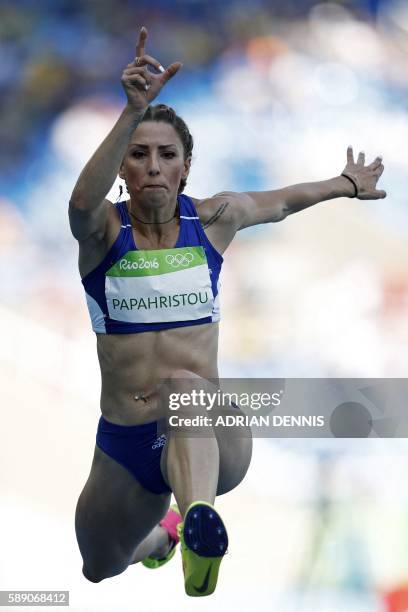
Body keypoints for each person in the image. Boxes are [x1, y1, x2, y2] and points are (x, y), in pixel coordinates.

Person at [69, 26, 386, 597]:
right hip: (126, 439)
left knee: (184, 387)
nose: (154, 167)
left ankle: (197, 527)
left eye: (167, 155)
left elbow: (283, 202)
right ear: (123, 168)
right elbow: (80, 202)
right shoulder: (102, 235)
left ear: (186, 167)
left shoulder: (213, 220)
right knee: (97, 564)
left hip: (212, 432)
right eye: (139, 156)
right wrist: (130, 114)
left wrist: (345, 183)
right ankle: (163, 539)